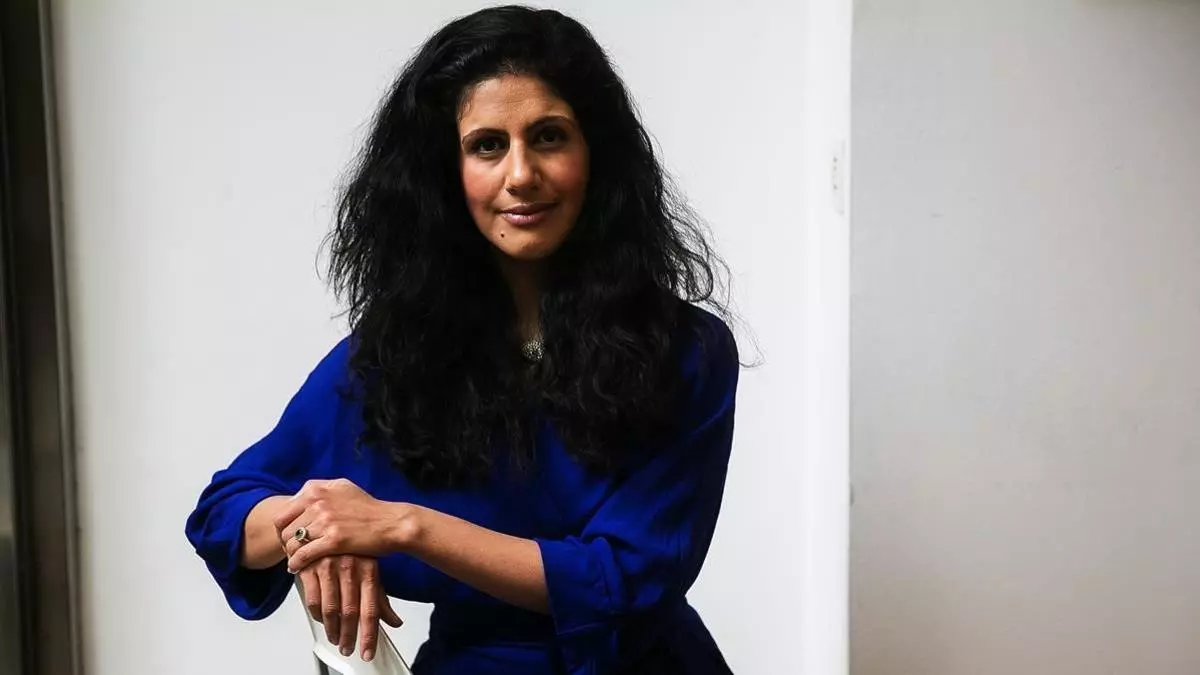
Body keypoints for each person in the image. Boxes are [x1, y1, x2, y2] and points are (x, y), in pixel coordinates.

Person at [185, 6, 739, 674]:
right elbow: (224, 512)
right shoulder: (397, 353)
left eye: (549, 137)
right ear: (446, 172)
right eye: (487, 146)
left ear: (597, 156)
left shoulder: (687, 351)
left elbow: (623, 581)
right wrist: (316, 532)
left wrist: (402, 526)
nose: (520, 174)